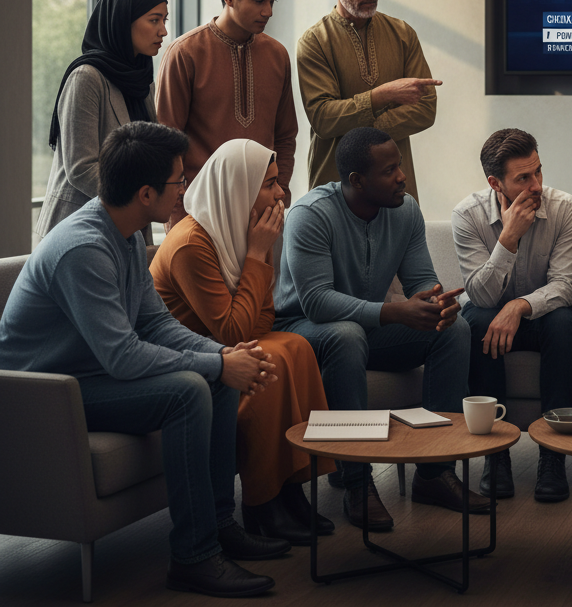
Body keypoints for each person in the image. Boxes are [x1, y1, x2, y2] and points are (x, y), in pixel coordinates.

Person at [0, 121, 286, 598]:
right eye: (178, 180)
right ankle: (193, 557)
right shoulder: (84, 249)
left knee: (213, 377)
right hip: (45, 394)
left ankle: (218, 526)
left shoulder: (128, 233)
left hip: (87, 374)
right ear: (147, 192)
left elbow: (153, 325)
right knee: (190, 390)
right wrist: (216, 365)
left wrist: (222, 354)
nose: (185, 188)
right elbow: (123, 355)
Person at [274, 126, 482, 531]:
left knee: (452, 331)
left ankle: (435, 473)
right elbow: (316, 302)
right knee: (344, 334)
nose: (402, 176)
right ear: (357, 181)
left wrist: (434, 303)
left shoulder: (405, 211)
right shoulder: (309, 215)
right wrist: (394, 312)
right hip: (303, 330)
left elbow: (421, 278)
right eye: (390, 170)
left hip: (366, 326)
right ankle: (356, 480)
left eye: (399, 165)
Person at [150, 138, 334, 545]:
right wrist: (256, 255)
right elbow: (233, 333)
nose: (281, 192)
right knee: (270, 356)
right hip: (197, 354)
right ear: (238, 188)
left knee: (296, 347)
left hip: (228, 341)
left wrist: (257, 254)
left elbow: (261, 319)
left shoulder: (241, 229)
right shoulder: (189, 244)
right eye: (269, 184)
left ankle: (289, 486)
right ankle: (260, 501)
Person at [453, 128, 572, 503]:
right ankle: (496, 458)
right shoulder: (468, 215)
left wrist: (519, 306)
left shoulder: (565, 208)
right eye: (523, 178)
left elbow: (565, 285)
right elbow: (479, 294)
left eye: (538, 171)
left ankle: (552, 457)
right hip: (490, 320)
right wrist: (508, 239)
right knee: (474, 320)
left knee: (563, 319)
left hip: (541, 317)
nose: (536, 185)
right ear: (495, 182)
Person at [156, 0, 298, 227]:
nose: (268, 11)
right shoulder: (185, 53)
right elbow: (166, 142)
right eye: (259, 1)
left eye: (272, 1)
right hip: (199, 215)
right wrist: (177, 214)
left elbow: (285, 135)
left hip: (262, 215)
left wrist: (279, 194)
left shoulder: (277, 55)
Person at [296, 0, 440, 196]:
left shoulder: (402, 33)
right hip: (336, 192)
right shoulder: (314, 42)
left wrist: (358, 134)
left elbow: (425, 108)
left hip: (396, 192)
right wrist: (382, 96)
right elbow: (323, 118)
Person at [37, 0, 168, 239]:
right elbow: (81, 169)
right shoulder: (86, 77)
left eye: (165, 20)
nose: (163, 30)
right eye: (154, 20)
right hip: (77, 229)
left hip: (129, 229)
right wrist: (141, 197)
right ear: (123, 22)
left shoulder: (142, 80)